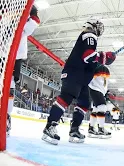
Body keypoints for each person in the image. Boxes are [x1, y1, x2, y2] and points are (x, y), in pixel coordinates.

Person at [42, 18, 116, 145]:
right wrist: (103, 57)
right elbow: (87, 55)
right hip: (74, 74)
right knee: (66, 98)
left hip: (81, 78)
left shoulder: (90, 38)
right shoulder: (89, 35)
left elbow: (89, 60)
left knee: (84, 103)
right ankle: (49, 127)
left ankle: (74, 130)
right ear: (93, 26)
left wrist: (101, 59)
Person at [7, 5, 40, 136]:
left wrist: (32, 12)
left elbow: (33, 23)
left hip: (15, 57)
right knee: (8, 86)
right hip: (8, 55)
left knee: (10, 86)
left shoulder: (23, 21)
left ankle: (5, 117)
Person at [87, 64, 113, 139]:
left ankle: (91, 129)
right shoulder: (100, 66)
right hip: (95, 88)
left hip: (99, 90)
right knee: (102, 107)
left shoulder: (105, 69)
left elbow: (103, 83)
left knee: (96, 109)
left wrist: (106, 92)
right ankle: (101, 129)